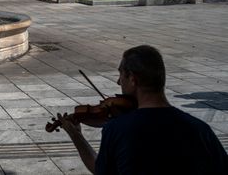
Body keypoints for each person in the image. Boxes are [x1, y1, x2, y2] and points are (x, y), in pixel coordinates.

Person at [56, 45, 228, 174]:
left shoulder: (117, 129)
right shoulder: (199, 129)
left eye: (121, 75)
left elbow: (100, 170)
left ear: (132, 79)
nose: (118, 82)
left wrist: (76, 136)